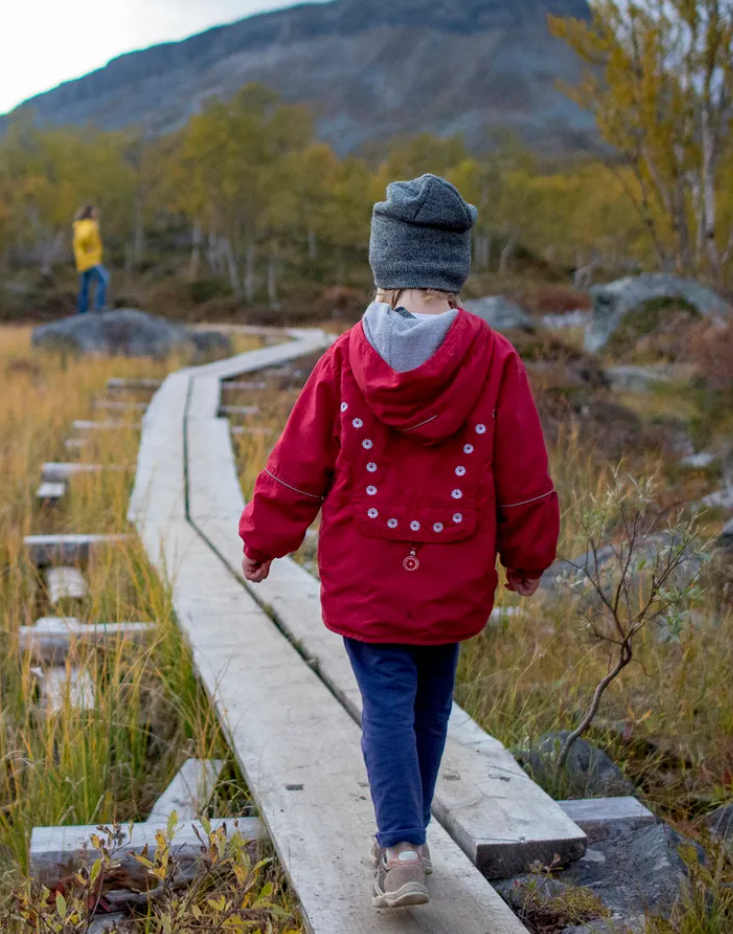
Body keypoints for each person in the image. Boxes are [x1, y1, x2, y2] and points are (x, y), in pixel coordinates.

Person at [237, 174, 559, 910]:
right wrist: (528, 554)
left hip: (366, 568)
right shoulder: (493, 357)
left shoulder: (346, 358)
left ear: (386, 263)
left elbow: (298, 462)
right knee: (429, 707)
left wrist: (264, 538)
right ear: (454, 267)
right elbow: (523, 468)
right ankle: (407, 840)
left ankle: (401, 846)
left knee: (385, 704)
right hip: (454, 565)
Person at [72, 204, 108, 315]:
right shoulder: (89, 225)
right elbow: (83, 238)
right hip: (90, 260)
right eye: (94, 212)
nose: (96, 214)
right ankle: (99, 306)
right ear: (89, 213)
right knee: (104, 279)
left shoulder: (79, 225)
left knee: (84, 287)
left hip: (82, 260)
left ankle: (82, 311)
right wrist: (89, 248)